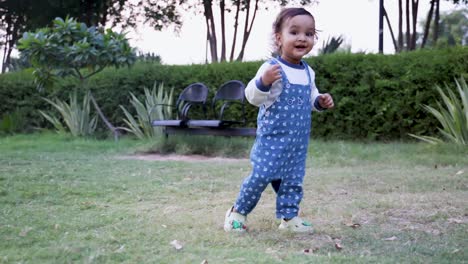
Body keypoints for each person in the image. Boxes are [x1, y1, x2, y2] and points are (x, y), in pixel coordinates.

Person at [224, 7, 334, 233]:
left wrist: (319, 102)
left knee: (293, 181)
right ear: (279, 38)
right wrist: (263, 82)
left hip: (297, 144)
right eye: (294, 32)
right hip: (272, 141)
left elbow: (310, 97)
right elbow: (252, 97)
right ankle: (237, 212)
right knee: (261, 176)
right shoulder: (271, 68)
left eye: (309, 33)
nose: (302, 38)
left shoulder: (308, 72)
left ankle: (289, 218)